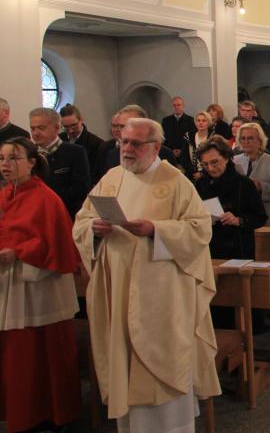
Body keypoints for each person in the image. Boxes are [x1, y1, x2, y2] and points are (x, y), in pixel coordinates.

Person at [73, 118, 220, 429]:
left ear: (155, 147)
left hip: (161, 296)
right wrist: (93, 229)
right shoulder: (112, 178)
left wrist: (155, 229)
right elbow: (82, 220)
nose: (127, 149)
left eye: (136, 144)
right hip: (118, 290)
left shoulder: (176, 182)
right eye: (123, 142)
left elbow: (199, 229)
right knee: (125, 362)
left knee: (163, 365)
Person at [0, 137, 82, 433]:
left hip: (40, 287)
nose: (5, 164)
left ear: (32, 162)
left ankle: (51, 416)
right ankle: (21, 413)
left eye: (13, 158)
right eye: (2, 158)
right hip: (11, 286)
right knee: (17, 357)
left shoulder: (46, 198)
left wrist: (18, 252)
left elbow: (55, 243)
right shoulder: (5, 195)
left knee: (43, 355)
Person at [195, 136, 267, 260]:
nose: (210, 168)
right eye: (205, 164)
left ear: (226, 158)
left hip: (238, 248)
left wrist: (238, 220)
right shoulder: (200, 184)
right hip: (209, 247)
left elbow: (260, 217)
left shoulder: (244, 184)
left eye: (214, 162)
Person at [29, 107, 90, 217]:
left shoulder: (75, 152)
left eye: (41, 128)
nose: (35, 133)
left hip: (65, 213)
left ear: (56, 128)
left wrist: (48, 200)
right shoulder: (28, 154)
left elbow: (81, 188)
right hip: (34, 213)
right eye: (33, 128)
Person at [234, 122, 270, 226]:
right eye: (243, 138)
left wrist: (261, 187)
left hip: (267, 216)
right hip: (242, 218)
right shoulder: (234, 161)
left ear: (260, 140)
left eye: (250, 138)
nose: (246, 142)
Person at [60, 103, 104, 174]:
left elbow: (96, 172)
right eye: (66, 127)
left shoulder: (97, 143)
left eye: (74, 125)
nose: (70, 131)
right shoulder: (59, 139)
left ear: (81, 120)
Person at [185, 110, 212, 180]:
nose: (200, 123)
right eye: (198, 120)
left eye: (204, 121)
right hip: (191, 174)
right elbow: (184, 157)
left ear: (208, 123)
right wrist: (192, 173)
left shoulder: (213, 138)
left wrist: (202, 173)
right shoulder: (188, 136)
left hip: (209, 174)